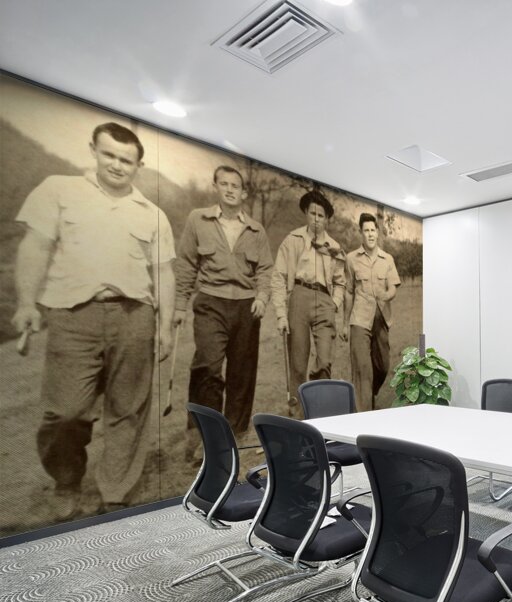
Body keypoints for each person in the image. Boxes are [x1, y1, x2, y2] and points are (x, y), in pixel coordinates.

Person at [12, 122, 175, 521]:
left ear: (139, 165)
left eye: (127, 160)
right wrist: (26, 303)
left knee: (129, 410)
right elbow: (34, 247)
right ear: (94, 151)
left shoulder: (152, 213)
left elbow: (164, 273)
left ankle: (115, 496)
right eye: (110, 155)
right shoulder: (59, 191)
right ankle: (66, 482)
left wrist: (166, 325)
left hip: (135, 315)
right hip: (73, 315)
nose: (118, 166)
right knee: (65, 411)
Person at [174, 166, 272, 454]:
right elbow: (186, 264)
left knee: (242, 373)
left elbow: (265, 269)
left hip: (246, 306)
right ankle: (201, 433)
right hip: (210, 301)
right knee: (207, 366)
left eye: (235, 185)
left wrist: (262, 297)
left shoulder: (256, 230)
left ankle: (235, 431)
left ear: (243, 192)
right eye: (224, 184)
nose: (230, 189)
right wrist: (180, 305)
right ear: (215, 187)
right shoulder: (198, 220)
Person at [271, 190, 345, 399]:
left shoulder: (334, 248)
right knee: (297, 361)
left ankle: (318, 409)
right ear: (306, 213)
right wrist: (280, 314)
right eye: (313, 214)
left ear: (327, 219)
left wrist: (334, 304)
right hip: (299, 298)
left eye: (321, 216)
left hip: (324, 300)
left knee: (324, 361)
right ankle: (296, 413)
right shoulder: (292, 240)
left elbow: (340, 282)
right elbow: (278, 277)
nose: (316, 220)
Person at [342, 213, 401, 411]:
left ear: (378, 232)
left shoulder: (387, 259)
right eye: (366, 230)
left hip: (382, 318)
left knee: (383, 366)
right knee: (362, 371)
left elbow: (393, 286)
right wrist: (344, 323)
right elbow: (349, 292)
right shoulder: (351, 259)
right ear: (361, 233)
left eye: (373, 230)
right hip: (360, 319)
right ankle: (364, 416)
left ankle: (369, 392)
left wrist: (387, 295)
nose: (370, 234)